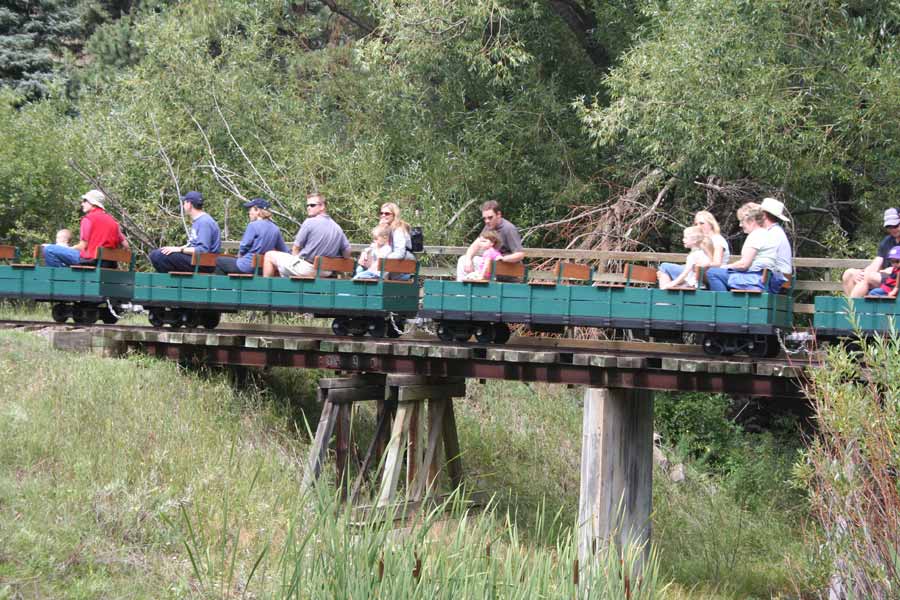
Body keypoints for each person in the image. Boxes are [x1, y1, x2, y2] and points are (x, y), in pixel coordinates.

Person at [263, 193, 351, 278]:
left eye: (312, 205)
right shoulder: (337, 227)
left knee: (269, 255)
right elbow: (347, 252)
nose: (308, 208)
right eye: (307, 205)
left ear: (322, 206)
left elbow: (296, 248)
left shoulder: (309, 222)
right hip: (326, 272)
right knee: (285, 266)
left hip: (307, 269)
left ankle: (265, 290)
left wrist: (295, 261)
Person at [706, 203, 785, 293]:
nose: (740, 225)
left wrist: (725, 267)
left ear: (751, 220)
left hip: (755, 280)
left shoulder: (756, 235)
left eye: (742, 221)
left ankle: (722, 305)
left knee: (712, 273)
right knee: (721, 273)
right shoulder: (767, 234)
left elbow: (744, 265)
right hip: (764, 279)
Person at [43, 190, 129, 268]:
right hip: (109, 264)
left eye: (85, 201)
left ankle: (63, 280)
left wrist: (67, 249)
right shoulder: (113, 221)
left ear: (93, 203)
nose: (82, 204)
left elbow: (82, 246)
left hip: (90, 261)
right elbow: (126, 246)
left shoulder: (88, 219)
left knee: (48, 250)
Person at [149, 191, 221, 273]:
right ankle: (174, 283)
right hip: (196, 259)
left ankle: (175, 284)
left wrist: (180, 249)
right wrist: (174, 249)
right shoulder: (198, 221)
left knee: (161, 256)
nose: (183, 205)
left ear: (189, 204)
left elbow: (202, 250)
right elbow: (192, 244)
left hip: (204, 263)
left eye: (184, 203)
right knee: (156, 254)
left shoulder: (204, 222)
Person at [215, 198, 288, 275]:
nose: (249, 212)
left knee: (219, 260)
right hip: (264, 267)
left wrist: (240, 256)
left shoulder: (253, 225)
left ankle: (221, 287)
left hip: (247, 265)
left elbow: (244, 246)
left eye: (251, 210)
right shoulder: (275, 229)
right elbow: (284, 250)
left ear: (257, 211)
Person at [456, 200, 524, 281]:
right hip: (491, 266)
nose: (487, 221)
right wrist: (468, 260)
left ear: (498, 214)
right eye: (485, 218)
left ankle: (469, 290)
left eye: (490, 217)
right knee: (463, 260)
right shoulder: (488, 227)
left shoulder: (509, 229)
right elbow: (474, 246)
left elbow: (520, 254)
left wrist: (502, 258)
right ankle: (463, 291)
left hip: (506, 269)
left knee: (485, 263)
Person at [842, 208, 900, 298]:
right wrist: (862, 273)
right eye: (889, 227)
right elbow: (876, 263)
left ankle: (852, 310)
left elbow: (894, 268)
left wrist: (880, 272)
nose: (893, 229)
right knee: (849, 274)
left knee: (868, 277)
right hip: (885, 277)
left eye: (895, 225)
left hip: (895, 279)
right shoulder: (887, 241)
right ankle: (853, 309)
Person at [357, 202, 415, 279]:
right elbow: (376, 243)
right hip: (386, 262)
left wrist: (381, 260)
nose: (383, 215)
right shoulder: (384, 228)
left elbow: (400, 253)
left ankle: (363, 285)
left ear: (394, 215)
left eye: (387, 213)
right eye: (381, 213)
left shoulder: (399, 229)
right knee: (360, 269)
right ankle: (362, 288)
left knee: (365, 273)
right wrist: (366, 252)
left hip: (400, 264)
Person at [759, 197, 793, 285]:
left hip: (775, 280)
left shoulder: (772, 234)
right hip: (780, 278)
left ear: (764, 215)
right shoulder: (775, 231)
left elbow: (765, 262)